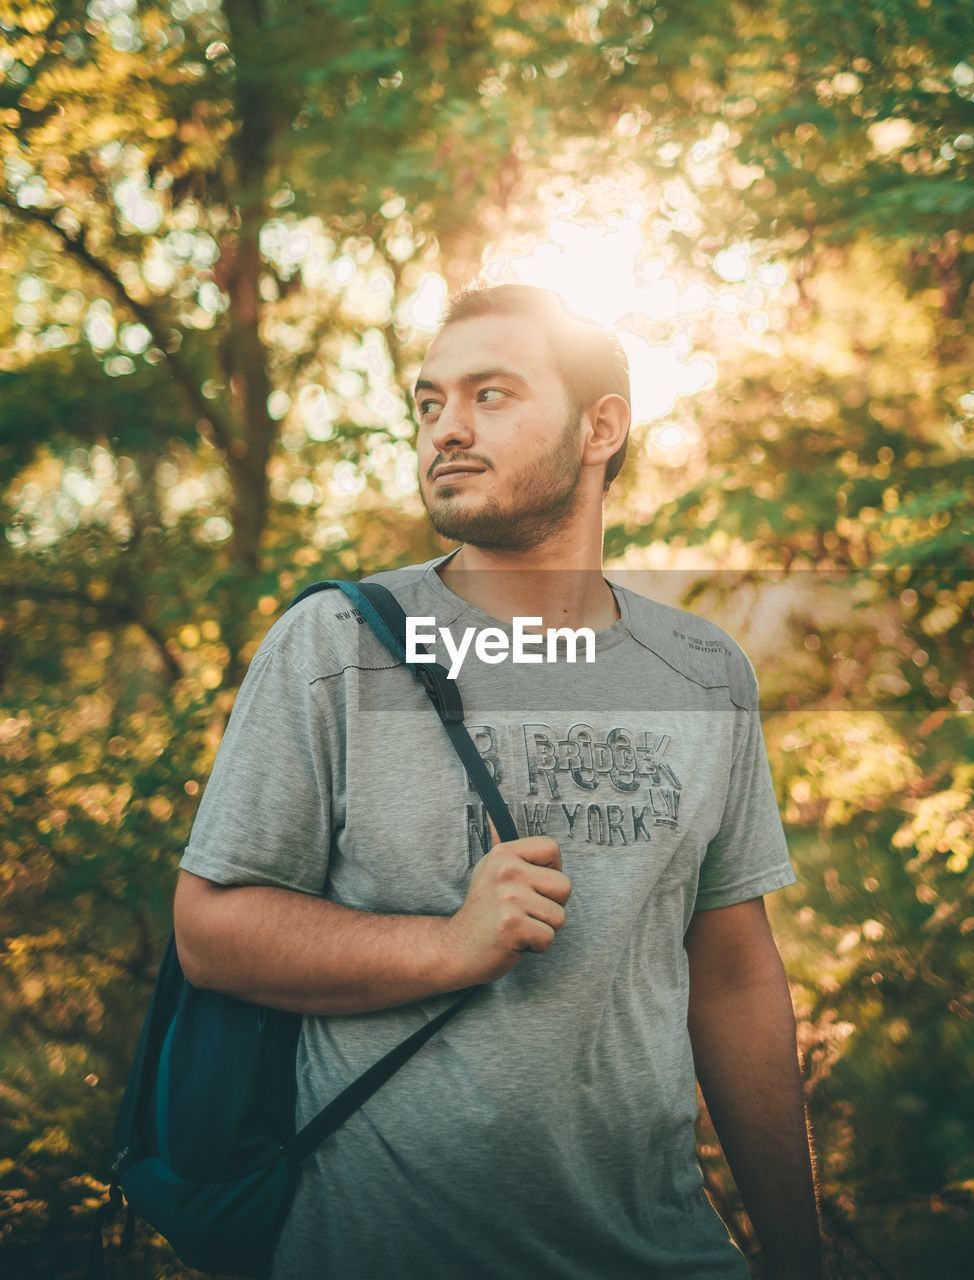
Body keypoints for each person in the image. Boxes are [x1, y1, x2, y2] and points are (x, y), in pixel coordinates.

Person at [173, 284, 824, 1279]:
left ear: (600, 426)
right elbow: (209, 929)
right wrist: (447, 945)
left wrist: (797, 1251)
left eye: (491, 394)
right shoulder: (337, 644)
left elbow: (731, 968)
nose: (448, 429)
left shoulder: (701, 670)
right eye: (429, 403)